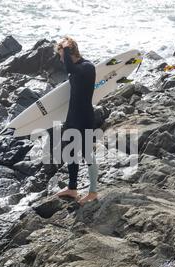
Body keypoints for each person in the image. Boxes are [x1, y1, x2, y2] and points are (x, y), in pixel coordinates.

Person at [54, 36, 98, 205]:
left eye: (62, 55)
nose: (60, 59)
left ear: (69, 52)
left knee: (87, 153)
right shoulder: (75, 68)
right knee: (70, 152)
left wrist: (65, 48)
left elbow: (71, 68)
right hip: (72, 116)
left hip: (85, 117)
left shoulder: (87, 67)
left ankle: (93, 192)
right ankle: (72, 188)